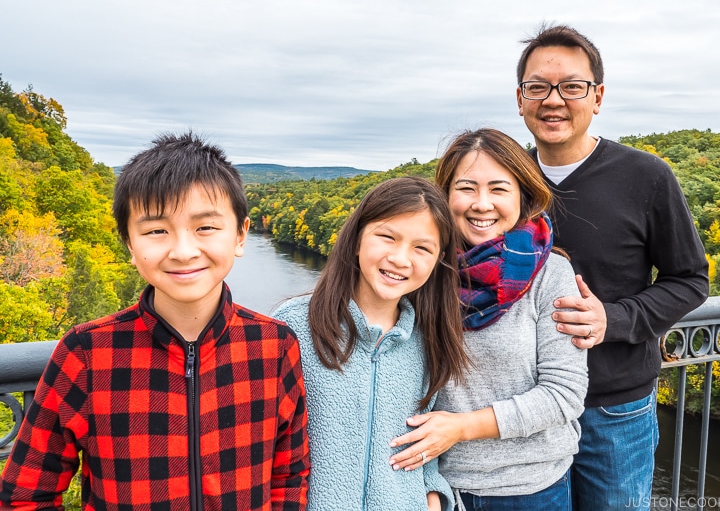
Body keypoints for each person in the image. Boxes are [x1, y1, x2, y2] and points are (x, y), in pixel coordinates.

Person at [0, 132, 310, 510]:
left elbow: (288, 476)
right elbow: (25, 495)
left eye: (205, 228)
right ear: (130, 244)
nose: (182, 251)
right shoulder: (86, 354)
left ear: (241, 235)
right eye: (156, 231)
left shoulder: (274, 345)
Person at [513, 24, 710, 510]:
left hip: (613, 408)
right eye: (538, 87)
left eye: (572, 87)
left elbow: (691, 279)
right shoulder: (501, 179)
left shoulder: (646, 176)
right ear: (520, 99)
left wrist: (613, 319)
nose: (553, 100)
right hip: (518, 409)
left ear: (597, 97)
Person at [388, 129, 588, 510]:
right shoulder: (423, 268)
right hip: (434, 486)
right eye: (466, 188)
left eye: (499, 189)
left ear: (522, 196)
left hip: (530, 490)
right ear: (444, 196)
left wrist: (460, 428)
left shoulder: (550, 273)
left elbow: (564, 396)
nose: (482, 204)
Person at [273, 176, 470, 511]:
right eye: (387, 237)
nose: (400, 258)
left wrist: (434, 497)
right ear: (356, 240)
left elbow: (428, 448)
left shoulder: (432, 340)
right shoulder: (292, 327)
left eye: (422, 248)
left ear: (438, 261)